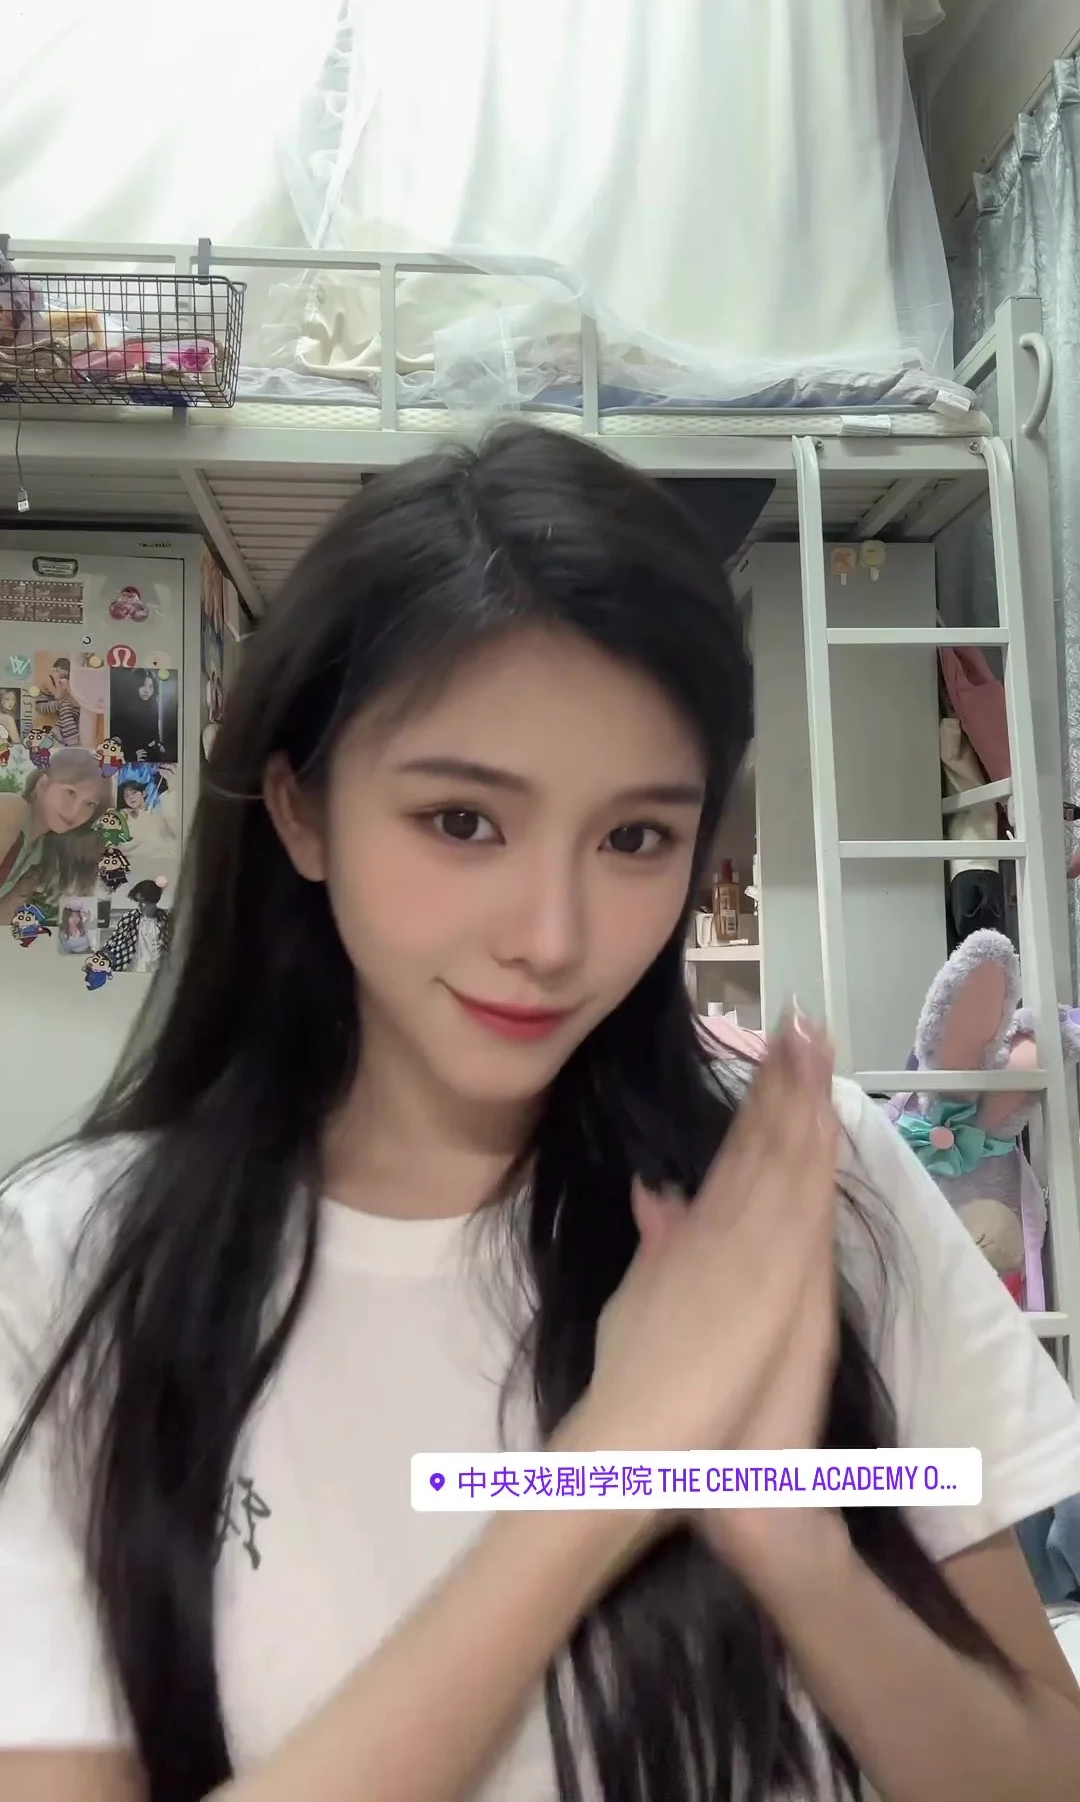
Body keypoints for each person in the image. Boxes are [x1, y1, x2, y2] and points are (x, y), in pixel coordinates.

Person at [1, 427, 1079, 1802]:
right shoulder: (68, 1267)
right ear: (301, 810)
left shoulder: (801, 1182)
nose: (554, 937)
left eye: (635, 838)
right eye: (463, 821)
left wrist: (791, 1541)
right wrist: (612, 1469)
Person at [0, 744, 112, 925]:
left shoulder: (38, 856)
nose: (75, 811)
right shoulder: (12, 810)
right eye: (70, 792)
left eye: (90, 804)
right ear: (43, 784)